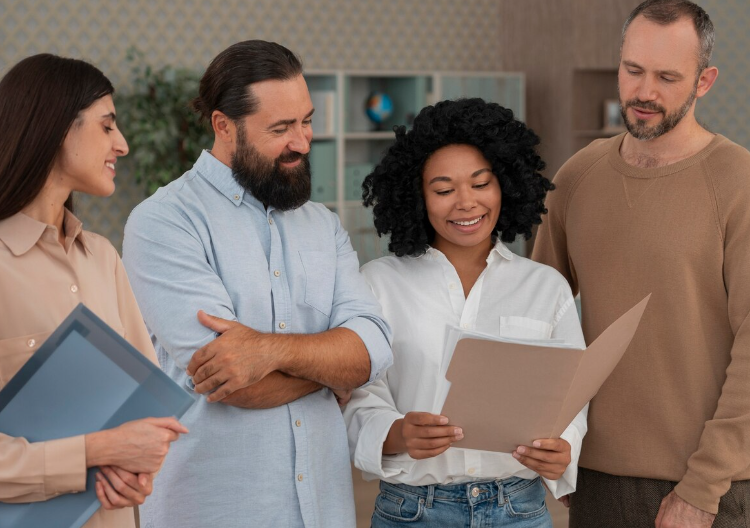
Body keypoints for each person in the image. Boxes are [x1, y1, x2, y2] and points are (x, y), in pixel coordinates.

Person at [122, 40, 393, 528]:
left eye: (306, 121)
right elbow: (231, 381)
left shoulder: (323, 225)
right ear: (224, 126)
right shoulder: (163, 222)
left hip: (326, 511)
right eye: (281, 128)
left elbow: (372, 349)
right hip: (218, 508)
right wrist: (332, 368)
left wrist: (269, 351)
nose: (303, 142)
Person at [531, 1, 750, 526]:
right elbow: (537, 320)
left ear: (704, 81)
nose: (644, 92)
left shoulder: (738, 181)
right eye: (633, 70)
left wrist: (702, 486)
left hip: (710, 489)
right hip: (595, 480)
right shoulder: (578, 176)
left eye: (667, 77)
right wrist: (555, 451)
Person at [343, 98, 588, 527]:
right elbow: (357, 395)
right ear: (416, 197)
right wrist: (397, 433)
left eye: (480, 183)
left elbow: (572, 396)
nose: (466, 203)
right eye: (443, 190)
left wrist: (562, 447)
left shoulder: (544, 287)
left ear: (505, 185)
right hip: (413, 511)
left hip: (519, 510)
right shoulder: (377, 283)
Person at [0, 54, 188, 528]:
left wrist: (139, 468)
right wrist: (97, 451)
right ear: (58, 127)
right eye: (107, 127)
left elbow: (150, 412)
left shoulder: (104, 257)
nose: (122, 145)